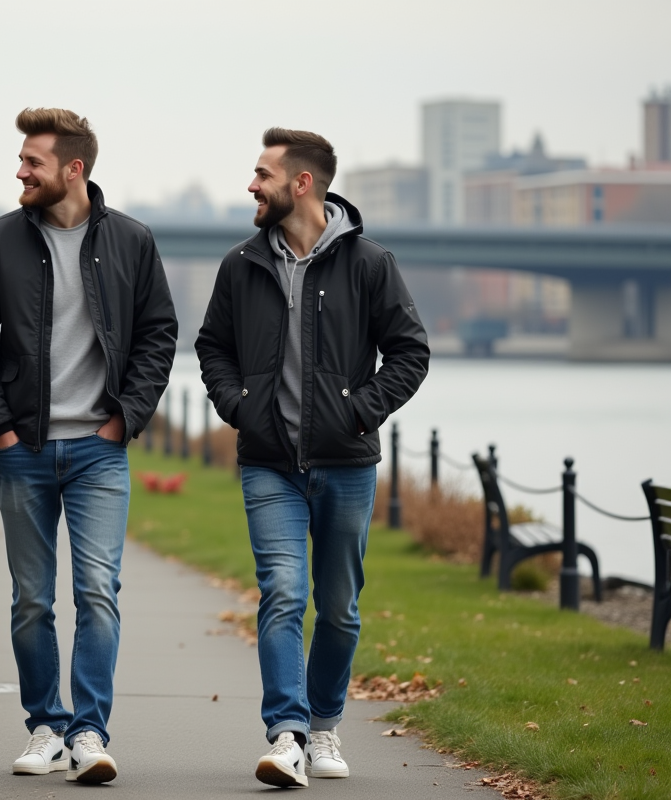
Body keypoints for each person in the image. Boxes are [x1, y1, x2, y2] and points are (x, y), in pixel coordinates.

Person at [195, 128, 429, 788]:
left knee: (339, 607)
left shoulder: (369, 265)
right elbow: (213, 346)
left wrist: (358, 410)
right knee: (281, 595)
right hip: (268, 462)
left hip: (346, 463)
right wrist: (239, 405)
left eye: (262, 173)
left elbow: (410, 353)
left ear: (301, 183)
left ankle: (324, 725)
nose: (251, 184)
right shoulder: (242, 264)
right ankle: (288, 735)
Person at [0, 108, 177, 784]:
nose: (20, 172)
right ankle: (45, 726)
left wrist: (125, 419)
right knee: (31, 598)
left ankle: (91, 733)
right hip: (23, 448)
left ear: (73, 169)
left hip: (100, 452)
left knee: (98, 594)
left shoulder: (133, 241)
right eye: (21, 161)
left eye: (33, 162)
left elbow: (158, 335)